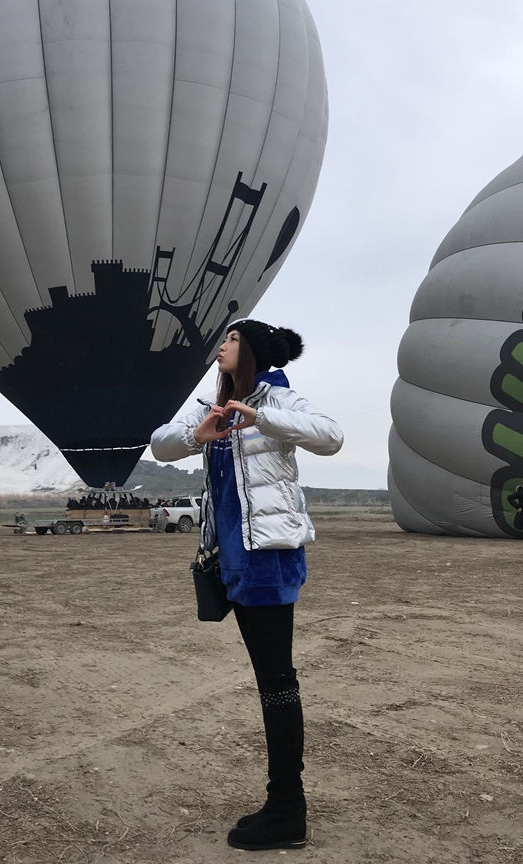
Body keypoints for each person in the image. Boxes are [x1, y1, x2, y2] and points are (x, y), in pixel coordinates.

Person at [150, 319, 343, 851]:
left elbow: (332, 436)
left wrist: (262, 417)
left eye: (232, 339)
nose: (221, 346)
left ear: (251, 350)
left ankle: (287, 809)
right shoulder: (210, 401)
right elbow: (160, 445)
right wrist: (199, 435)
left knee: (277, 680)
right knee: (271, 679)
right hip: (231, 559)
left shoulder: (277, 396)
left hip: (266, 559)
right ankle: (284, 804)